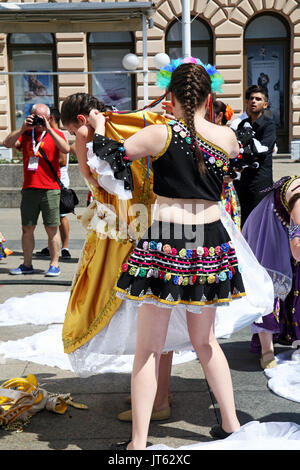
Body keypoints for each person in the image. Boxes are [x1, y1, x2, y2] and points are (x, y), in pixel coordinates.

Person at [88, 60, 257, 450]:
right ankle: (230, 423)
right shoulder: (228, 137)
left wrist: (99, 124)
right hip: (212, 239)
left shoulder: (159, 134)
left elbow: (108, 155)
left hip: (166, 237)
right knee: (206, 342)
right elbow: (237, 169)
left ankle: (139, 443)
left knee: (149, 347)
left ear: (172, 97)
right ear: (209, 97)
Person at [3, 103, 70, 277]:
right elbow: (7, 143)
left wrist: (49, 129)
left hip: (50, 189)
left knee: (52, 229)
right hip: (30, 188)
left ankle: (54, 264)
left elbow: (66, 148)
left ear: (49, 118)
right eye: (36, 117)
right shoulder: (26, 134)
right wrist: (22, 127)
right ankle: (27, 264)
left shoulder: (56, 134)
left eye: (43, 118)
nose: (39, 122)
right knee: (27, 228)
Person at [243, 176, 300, 369]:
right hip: (268, 225)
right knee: (269, 285)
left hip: (286, 223)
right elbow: (297, 250)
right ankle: (266, 350)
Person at [230, 85, 277, 226]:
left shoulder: (269, 126)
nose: (253, 101)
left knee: (261, 220)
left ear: (265, 104)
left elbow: (261, 151)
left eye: (258, 99)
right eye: (251, 98)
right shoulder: (242, 124)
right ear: (246, 102)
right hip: (242, 181)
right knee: (245, 219)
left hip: (260, 181)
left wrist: (242, 157)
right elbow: (235, 150)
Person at [36, 107, 72, 259]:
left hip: (59, 181)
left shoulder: (59, 135)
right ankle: (53, 244)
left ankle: (64, 247)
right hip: (48, 181)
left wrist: (41, 161)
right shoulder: (46, 135)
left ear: (50, 118)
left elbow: (62, 161)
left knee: (61, 215)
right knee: (51, 217)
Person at [213, 100, 241, 229]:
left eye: (208, 114)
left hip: (223, 188)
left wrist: (233, 173)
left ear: (219, 116)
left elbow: (239, 161)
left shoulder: (227, 135)